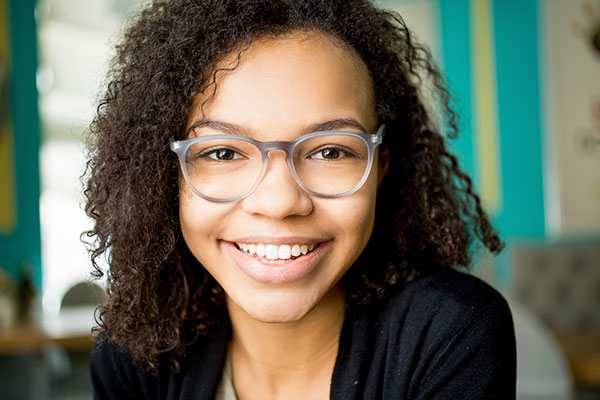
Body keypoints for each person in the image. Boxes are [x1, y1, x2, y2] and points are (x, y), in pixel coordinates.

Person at [85, 0, 516, 398]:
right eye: (222, 152)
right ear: (166, 176)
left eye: (330, 151)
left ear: (380, 170)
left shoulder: (451, 334)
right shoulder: (133, 361)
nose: (279, 202)